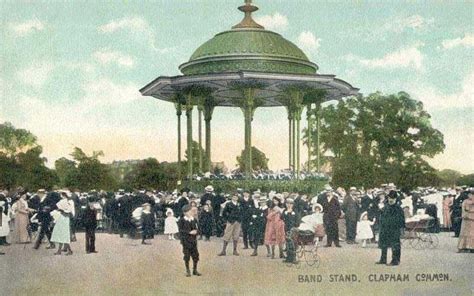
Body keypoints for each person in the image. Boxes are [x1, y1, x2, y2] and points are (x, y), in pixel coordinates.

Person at [376, 190, 405, 266]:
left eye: (393, 198)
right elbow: (381, 216)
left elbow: (402, 220)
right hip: (384, 228)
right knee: (383, 244)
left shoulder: (398, 208)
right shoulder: (385, 206)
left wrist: (400, 228)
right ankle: (383, 259)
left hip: (394, 229)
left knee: (395, 245)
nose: (391, 200)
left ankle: (395, 261)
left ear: (396, 199)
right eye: (389, 198)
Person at [178, 205, 201, 277]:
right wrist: (189, 232)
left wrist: (196, 232)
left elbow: (199, 229)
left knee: (196, 255)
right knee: (187, 255)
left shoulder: (194, 219)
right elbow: (180, 231)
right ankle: (187, 270)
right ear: (185, 212)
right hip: (185, 241)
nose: (192, 212)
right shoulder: (182, 220)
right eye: (190, 211)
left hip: (193, 241)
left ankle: (195, 269)